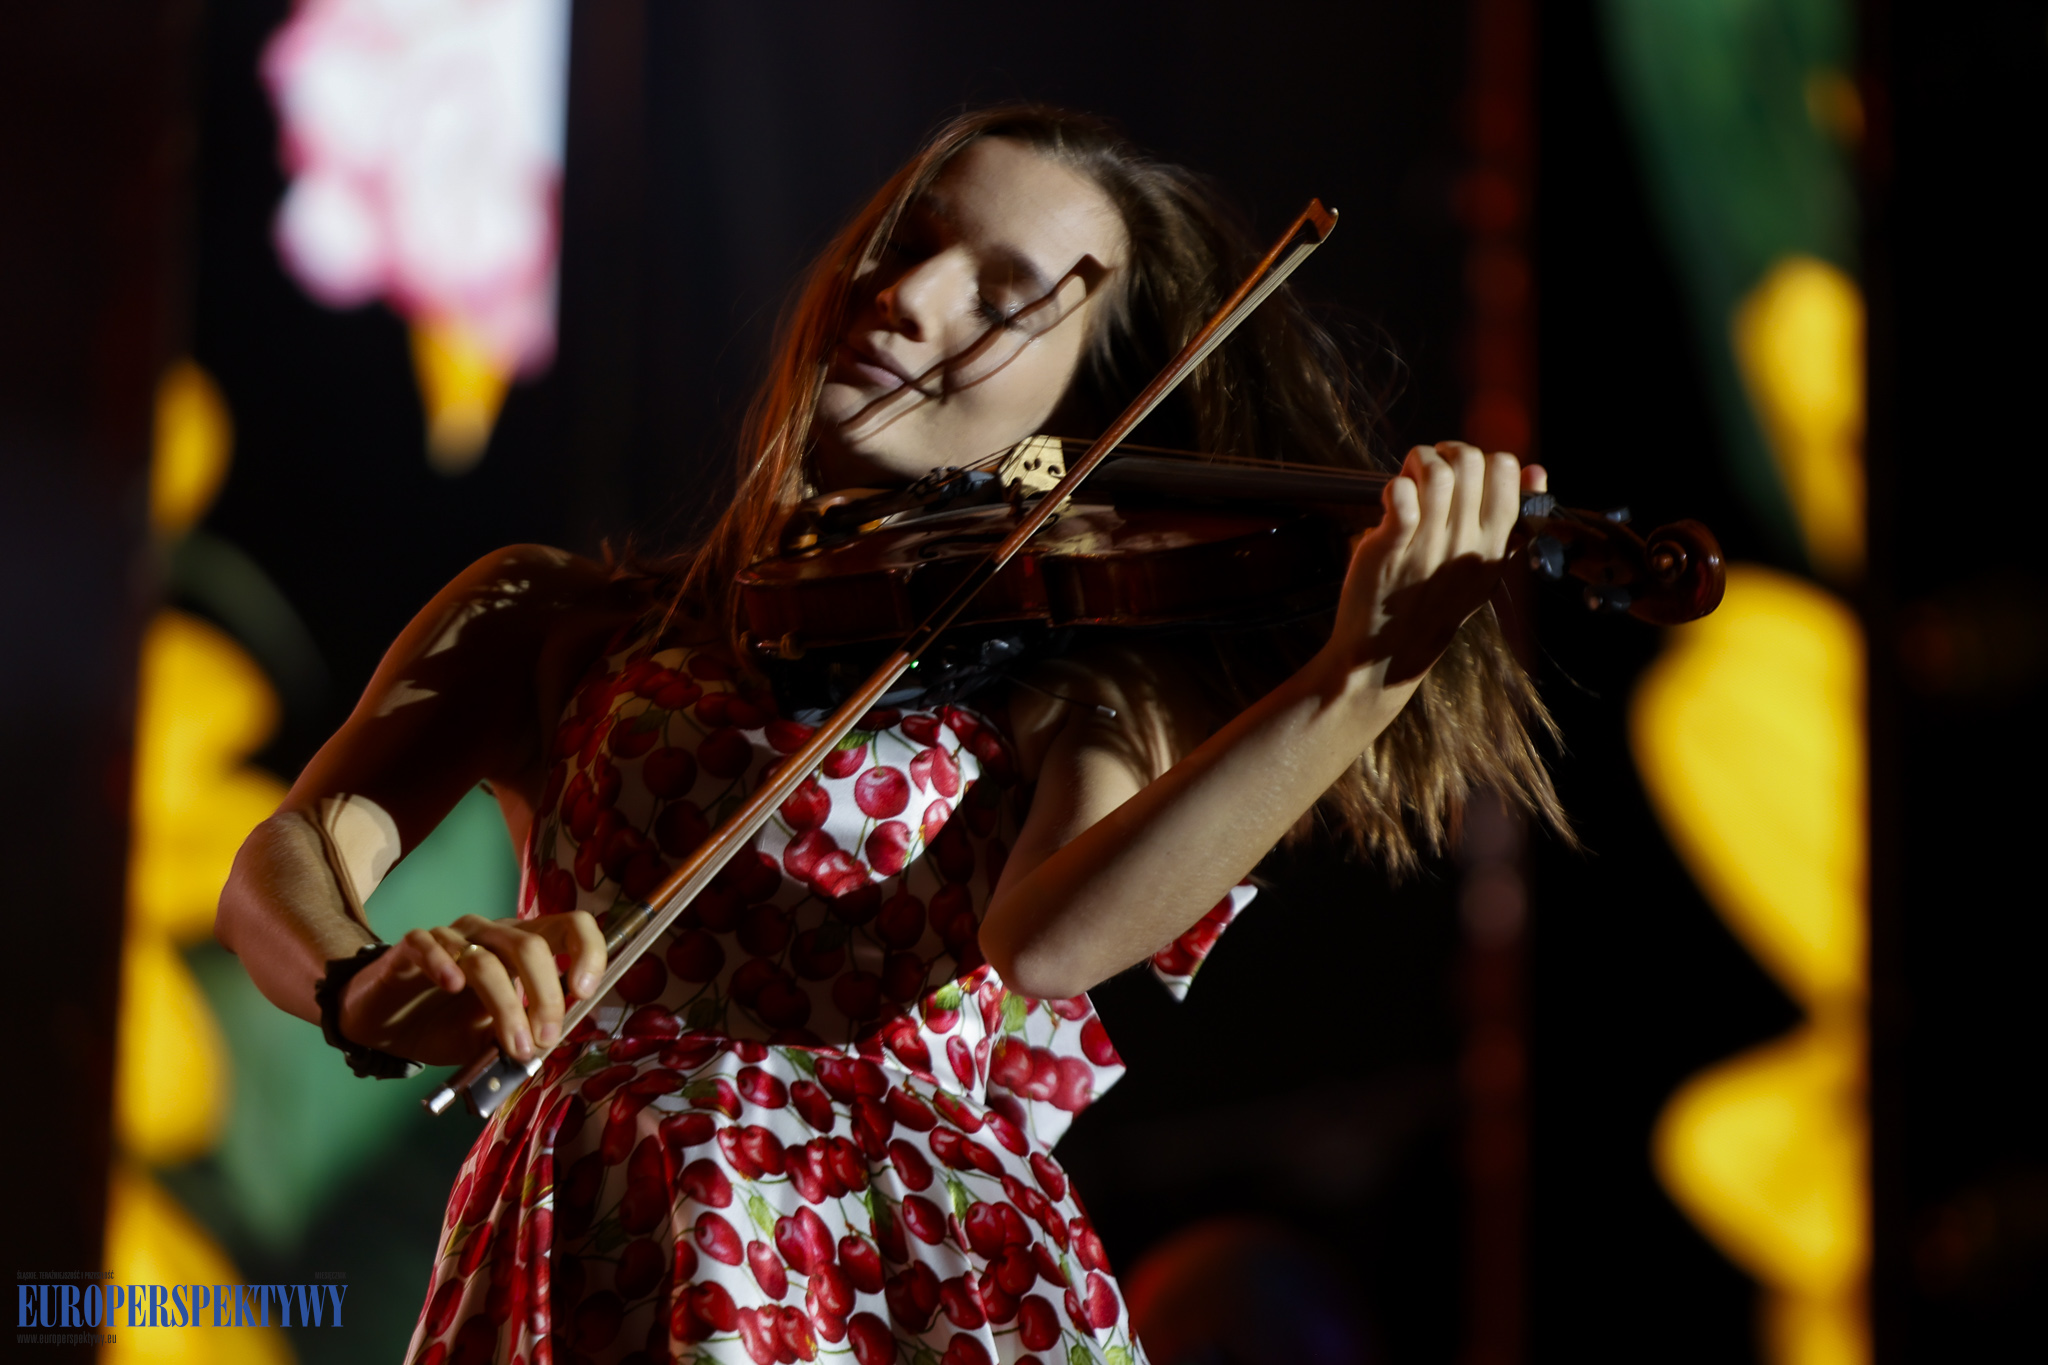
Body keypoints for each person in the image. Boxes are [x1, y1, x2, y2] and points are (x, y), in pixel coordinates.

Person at [216, 105, 1563, 1365]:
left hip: (920, 1262)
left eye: (997, 297)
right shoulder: (554, 612)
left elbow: (1053, 937)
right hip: (610, 1216)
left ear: (1078, 419)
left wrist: (1365, 674)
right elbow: (288, 854)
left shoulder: (1060, 669)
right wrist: (362, 983)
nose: (908, 302)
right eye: (907, 249)